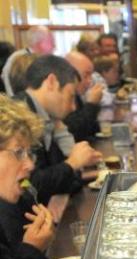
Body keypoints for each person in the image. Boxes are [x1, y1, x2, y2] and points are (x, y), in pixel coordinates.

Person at [15, 55, 101, 207]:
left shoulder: (45, 116)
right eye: (71, 96)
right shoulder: (19, 118)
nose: (73, 106)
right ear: (51, 82)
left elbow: (64, 180)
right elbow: (28, 185)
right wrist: (72, 163)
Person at [0, 94, 54, 259]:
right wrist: (33, 249)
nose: (30, 165)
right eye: (18, 153)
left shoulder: (15, 205)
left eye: (28, 153)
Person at [63, 51, 104, 143]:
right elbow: (75, 133)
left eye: (91, 75)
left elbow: (93, 132)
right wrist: (91, 104)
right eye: (86, 75)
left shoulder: (77, 96)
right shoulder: (60, 98)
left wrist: (94, 105)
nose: (90, 81)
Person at [2, 26, 54, 96]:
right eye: (51, 41)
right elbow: (9, 86)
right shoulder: (17, 58)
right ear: (39, 42)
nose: (54, 46)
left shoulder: (44, 59)